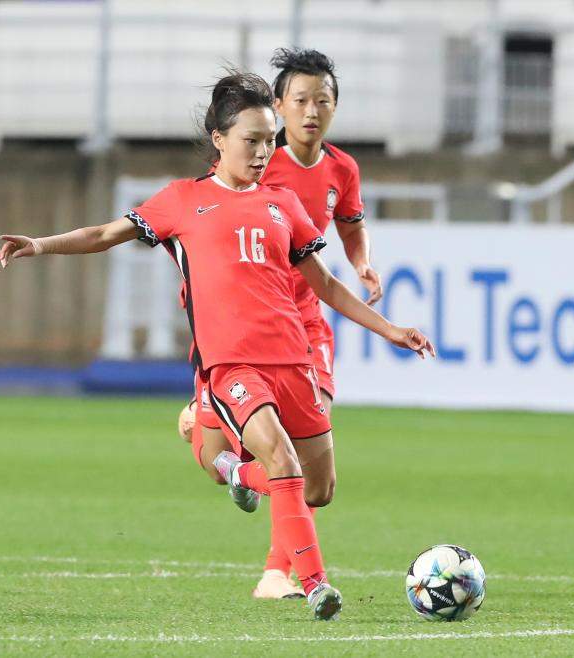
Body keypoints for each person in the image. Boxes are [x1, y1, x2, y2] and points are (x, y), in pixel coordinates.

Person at [0, 71, 435, 621]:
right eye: (252, 140)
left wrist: (389, 329)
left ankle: (237, 473)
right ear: (219, 139)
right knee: (282, 458)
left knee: (317, 488)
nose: (262, 152)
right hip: (232, 365)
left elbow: (324, 284)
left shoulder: (283, 204)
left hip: (292, 360)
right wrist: (39, 244)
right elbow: (104, 234)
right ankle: (315, 584)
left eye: (269, 141)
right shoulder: (182, 200)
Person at [177, 47, 383, 600]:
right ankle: (283, 571)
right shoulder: (256, 164)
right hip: (245, 334)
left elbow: (350, 225)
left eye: (324, 100)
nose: (312, 111)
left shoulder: (342, 169)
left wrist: (361, 261)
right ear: (279, 105)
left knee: (312, 468)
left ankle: (275, 570)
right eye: (301, 100)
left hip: (306, 326)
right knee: (265, 453)